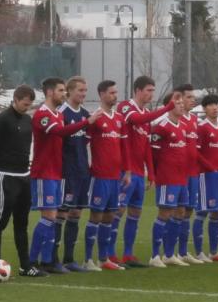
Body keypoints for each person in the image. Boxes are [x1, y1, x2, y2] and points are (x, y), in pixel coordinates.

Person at [30, 77, 90, 273]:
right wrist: (87, 122)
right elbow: (60, 132)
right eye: (61, 90)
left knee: (53, 216)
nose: (64, 94)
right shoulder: (42, 114)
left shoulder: (57, 114)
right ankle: (32, 261)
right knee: (49, 216)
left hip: (57, 172)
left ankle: (47, 261)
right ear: (49, 92)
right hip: (44, 172)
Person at [114, 76, 174, 266]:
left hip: (140, 173)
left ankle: (128, 254)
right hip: (125, 171)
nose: (151, 94)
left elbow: (147, 146)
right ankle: (109, 254)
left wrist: (152, 173)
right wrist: (166, 108)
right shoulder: (126, 107)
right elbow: (137, 119)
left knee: (135, 213)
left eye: (153, 91)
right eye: (148, 90)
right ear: (138, 90)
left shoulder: (147, 114)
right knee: (118, 211)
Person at [0, 85, 45, 278]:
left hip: (24, 176)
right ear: (16, 99)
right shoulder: (3, 120)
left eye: (29, 105)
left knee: (22, 223)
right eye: (24, 104)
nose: (27, 107)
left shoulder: (28, 120)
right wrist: (1, 165)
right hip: (6, 176)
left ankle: (25, 265)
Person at [83, 80, 126, 271]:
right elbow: (84, 144)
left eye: (116, 92)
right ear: (101, 94)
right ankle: (87, 259)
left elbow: (123, 147)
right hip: (99, 176)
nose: (115, 96)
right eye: (111, 93)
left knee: (110, 216)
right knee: (96, 215)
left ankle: (103, 258)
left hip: (115, 176)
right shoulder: (95, 118)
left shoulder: (119, 119)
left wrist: (127, 170)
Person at [148, 91, 190, 268]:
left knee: (180, 213)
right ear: (169, 105)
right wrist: (157, 174)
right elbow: (153, 153)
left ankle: (169, 254)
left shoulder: (182, 126)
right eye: (177, 103)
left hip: (181, 178)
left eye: (182, 103)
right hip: (167, 178)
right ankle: (154, 256)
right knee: (164, 213)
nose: (181, 105)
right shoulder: (161, 126)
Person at [57, 76, 91, 272]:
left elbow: (84, 142)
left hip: (81, 171)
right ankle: (53, 259)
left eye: (85, 91)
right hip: (67, 171)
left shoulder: (85, 114)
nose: (83, 94)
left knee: (76, 213)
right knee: (61, 212)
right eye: (80, 90)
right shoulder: (62, 112)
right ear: (69, 91)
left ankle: (69, 259)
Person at [195, 94, 218, 262]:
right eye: (210, 105)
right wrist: (211, 167)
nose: (215, 107)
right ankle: (198, 252)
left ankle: (214, 251)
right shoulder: (201, 127)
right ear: (204, 109)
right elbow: (196, 152)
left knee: (217, 212)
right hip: (206, 175)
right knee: (202, 211)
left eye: (217, 104)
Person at [175, 84, 205, 264]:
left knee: (188, 211)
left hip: (194, 172)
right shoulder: (175, 119)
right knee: (176, 210)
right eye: (188, 97)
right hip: (179, 173)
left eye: (193, 97)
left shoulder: (194, 119)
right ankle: (171, 251)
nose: (192, 100)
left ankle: (183, 251)